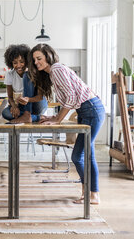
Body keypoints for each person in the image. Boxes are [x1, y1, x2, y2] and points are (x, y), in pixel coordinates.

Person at [28, 44, 105, 205]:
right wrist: (55, 116)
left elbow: (70, 97)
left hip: (91, 109)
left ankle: (92, 194)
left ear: (48, 56)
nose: (36, 62)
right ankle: (90, 194)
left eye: (39, 58)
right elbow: (70, 100)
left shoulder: (56, 69)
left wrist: (57, 120)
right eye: (34, 60)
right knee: (86, 155)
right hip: (87, 110)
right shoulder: (53, 72)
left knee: (79, 156)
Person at [1, 44, 48, 123]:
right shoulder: (10, 74)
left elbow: (40, 97)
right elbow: (10, 97)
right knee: (5, 113)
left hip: (37, 105)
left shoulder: (34, 73)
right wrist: (14, 106)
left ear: (27, 61)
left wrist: (28, 99)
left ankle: (27, 115)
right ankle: (36, 118)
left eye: (22, 62)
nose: (19, 65)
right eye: (15, 63)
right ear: (11, 63)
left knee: (27, 74)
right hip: (23, 106)